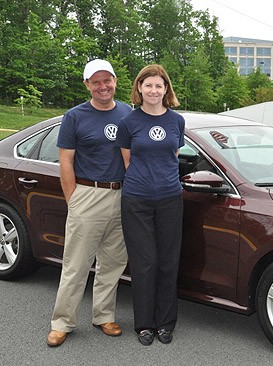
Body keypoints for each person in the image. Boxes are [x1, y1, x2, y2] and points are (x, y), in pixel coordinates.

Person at [47, 59, 132, 347]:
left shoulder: (127, 112)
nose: (102, 86)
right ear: (87, 85)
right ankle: (62, 322)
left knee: (113, 262)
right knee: (76, 264)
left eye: (107, 80)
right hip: (88, 193)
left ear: (115, 81)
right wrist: (74, 200)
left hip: (121, 195)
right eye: (95, 81)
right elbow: (65, 160)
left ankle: (104, 316)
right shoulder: (74, 116)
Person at [115, 64, 185, 346]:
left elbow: (173, 156)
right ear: (139, 89)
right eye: (148, 85)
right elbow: (127, 161)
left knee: (169, 262)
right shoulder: (128, 122)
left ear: (166, 89)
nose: (154, 90)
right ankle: (144, 324)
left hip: (170, 198)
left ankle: (166, 323)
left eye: (159, 85)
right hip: (137, 200)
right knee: (145, 264)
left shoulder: (177, 121)